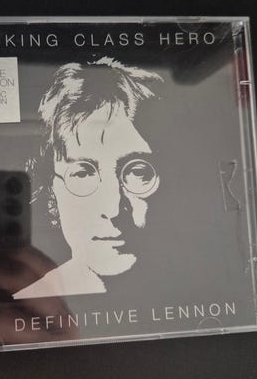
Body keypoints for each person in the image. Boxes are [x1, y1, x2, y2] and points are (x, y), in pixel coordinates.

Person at [13, 57, 162, 299]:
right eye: (82, 173)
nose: (113, 209)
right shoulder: (23, 308)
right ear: (52, 189)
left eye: (138, 172)